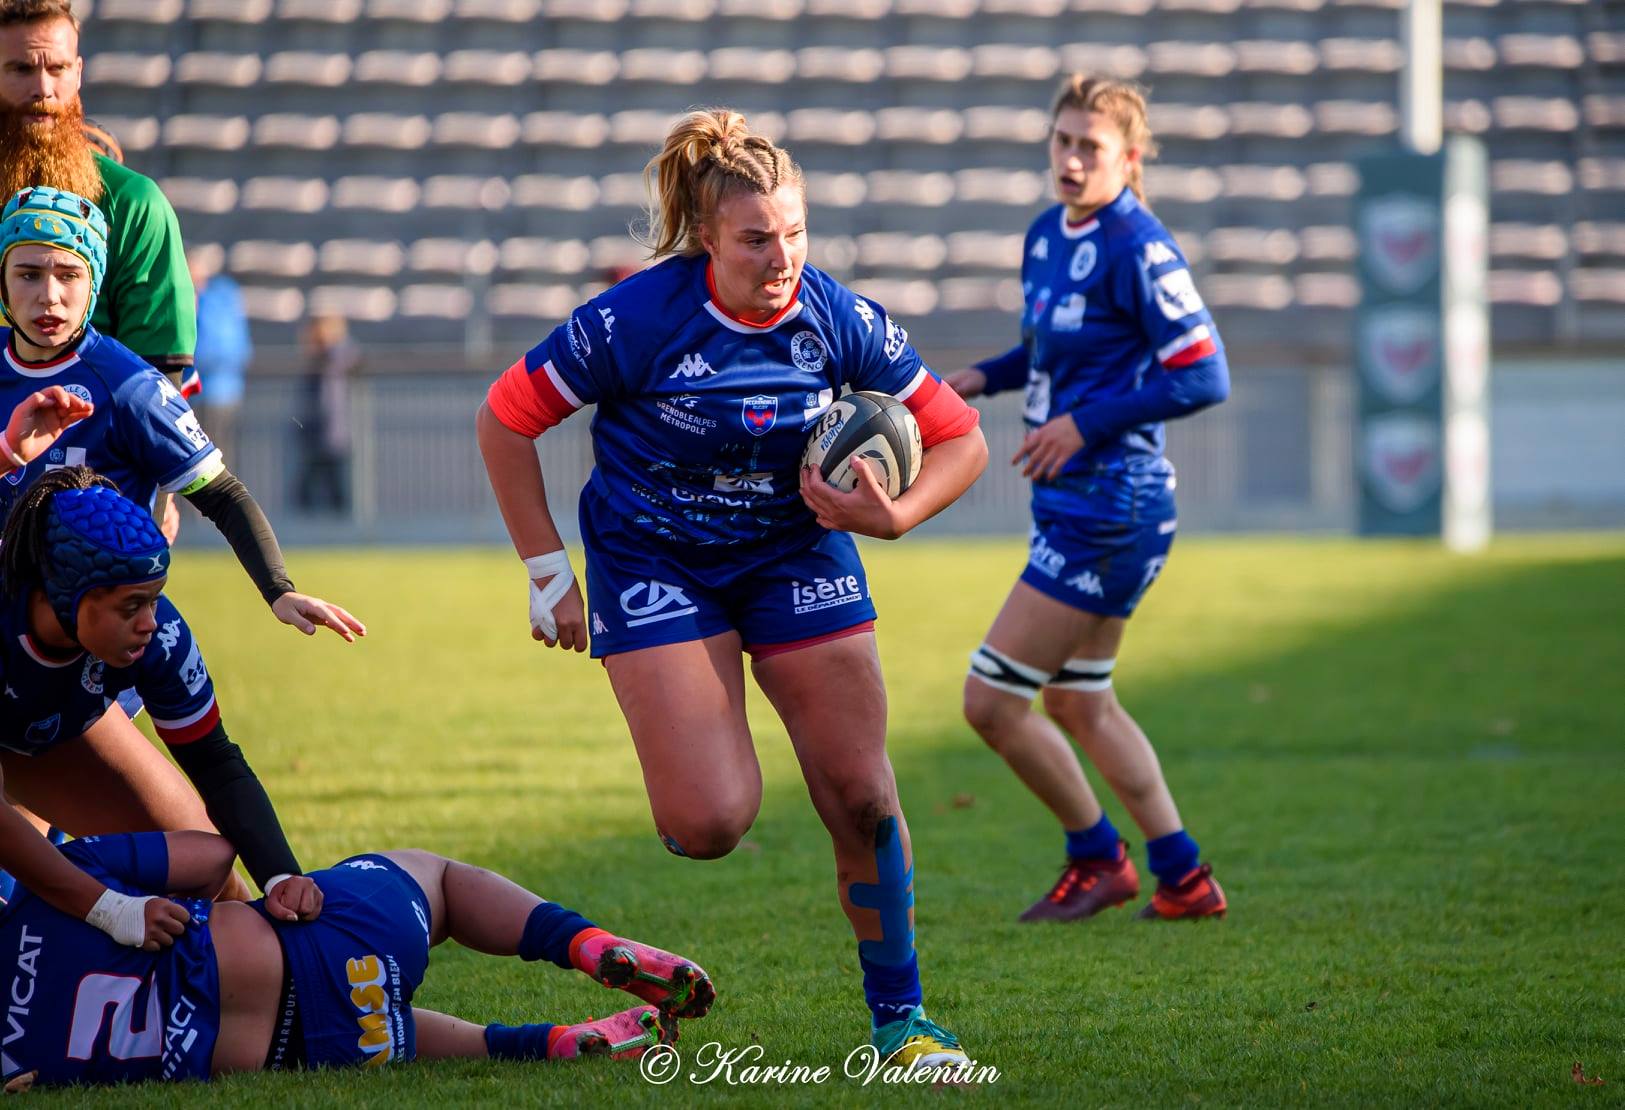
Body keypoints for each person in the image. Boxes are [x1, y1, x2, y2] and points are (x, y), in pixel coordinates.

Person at [478, 108, 988, 1070]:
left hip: (797, 556)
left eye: (793, 234)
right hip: (654, 563)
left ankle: (903, 1023)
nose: (780, 257)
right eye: (756, 239)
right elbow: (506, 419)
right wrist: (550, 575)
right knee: (709, 823)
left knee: (862, 793)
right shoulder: (636, 316)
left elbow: (961, 436)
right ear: (707, 236)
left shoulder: (835, 316)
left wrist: (899, 514)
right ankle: (691, 772)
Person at [944, 75, 1231, 923]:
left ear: (1130, 159)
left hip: (1114, 505)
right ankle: (1182, 876)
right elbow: (1045, 348)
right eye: (1062, 142)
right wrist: (982, 379)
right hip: (1079, 503)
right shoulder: (1044, 235)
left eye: (1090, 148)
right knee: (1077, 700)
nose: (1070, 160)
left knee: (991, 701)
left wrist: (1084, 424)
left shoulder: (1139, 246)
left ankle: (1097, 856)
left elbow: (1204, 372)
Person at [0, 829, 713, 1088]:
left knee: (383, 1021)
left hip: (301, 1054)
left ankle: (552, 1045)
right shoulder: (46, 883)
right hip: (312, 945)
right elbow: (215, 853)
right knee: (437, 878)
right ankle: (588, 946)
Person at [0, 185, 362, 641]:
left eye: (69, 274)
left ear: (94, 282)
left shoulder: (130, 385)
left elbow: (223, 495)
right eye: (28, 274)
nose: (49, 295)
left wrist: (279, 590)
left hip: (93, 648)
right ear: (2, 280)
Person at [0, 466, 327, 924]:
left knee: (211, 876)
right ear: (63, 596)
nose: (150, 622)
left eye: (154, 599)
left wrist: (282, 878)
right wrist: (108, 909)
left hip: (51, 732)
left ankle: (284, 978)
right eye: (131, 606)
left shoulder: (161, 633)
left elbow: (213, 758)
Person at [0, 0, 197, 395]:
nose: (43, 88)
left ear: (78, 72)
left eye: (57, 68)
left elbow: (157, 394)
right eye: (21, 69)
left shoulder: (133, 205)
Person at [190, 247, 251, 468]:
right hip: (225, 390)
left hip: (209, 391)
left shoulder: (210, 299)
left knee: (205, 460)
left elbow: (205, 347)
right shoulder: (225, 297)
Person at [294, 313, 357, 515]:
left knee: (336, 490)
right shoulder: (316, 361)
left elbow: (351, 355)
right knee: (308, 490)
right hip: (314, 433)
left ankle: (342, 533)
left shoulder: (335, 358)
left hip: (332, 433)